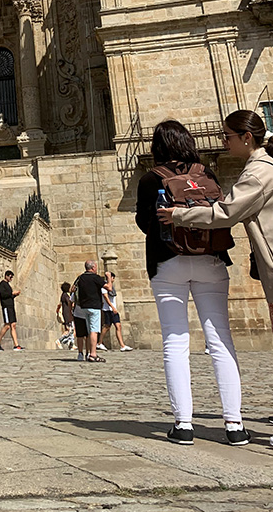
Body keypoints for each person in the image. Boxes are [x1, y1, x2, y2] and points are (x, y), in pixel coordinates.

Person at [158, 110, 273, 446]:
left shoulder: (259, 172)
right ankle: (234, 424)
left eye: (228, 136)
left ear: (246, 138)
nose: (224, 142)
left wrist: (178, 214)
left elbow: (227, 213)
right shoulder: (260, 167)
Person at [137, 119, 249, 446]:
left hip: (167, 263)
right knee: (220, 341)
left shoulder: (150, 179)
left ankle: (183, 424)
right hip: (211, 262)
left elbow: (147, 223)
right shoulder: (207, 175)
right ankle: (235, 425)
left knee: (175, 341)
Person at [73, 260, 105, 362]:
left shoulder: (80, 277)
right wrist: (108, 278)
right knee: (93, 331)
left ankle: (85, 353)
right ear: (93, 268)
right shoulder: (95, 278)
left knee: (85, 332)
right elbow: (108, 287)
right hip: (94, 306)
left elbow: (72, 289)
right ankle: (93, 354)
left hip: (83, 307)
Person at [97, 272, 132, 352]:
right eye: (113, 278)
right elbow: (105, 297)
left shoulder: (112, 287)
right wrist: (112, 307)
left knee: (118, 326)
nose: (113, 279)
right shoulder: (104, 286)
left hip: (113, 309)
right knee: (107, 327)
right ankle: (99, 342)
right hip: (108, 309)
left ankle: (122, 345)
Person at [0, 270, 23, 351]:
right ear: (6, 276)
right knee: (7, 325)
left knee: (13, 325)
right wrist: (12, 293)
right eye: (10, 276)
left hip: (11, 306)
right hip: (6, 307)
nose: (11, 278)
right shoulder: (2, 284)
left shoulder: (8, 285)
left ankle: (16, 345)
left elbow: (9, 296)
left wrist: (15, 295)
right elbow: (3, 295)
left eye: (12, 277)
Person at [55, 281, 75, 349]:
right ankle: (59, 340)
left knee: (71, 330)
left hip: (68, 314)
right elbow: (70, 303)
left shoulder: (64, 295)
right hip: (67, 315)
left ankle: (71, 344)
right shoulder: (65, 295)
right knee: (69, 330)